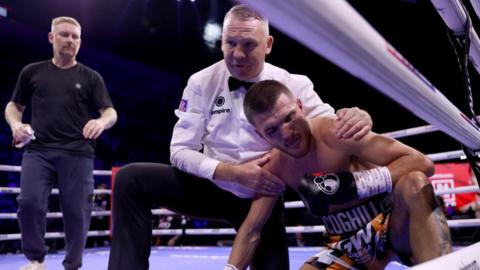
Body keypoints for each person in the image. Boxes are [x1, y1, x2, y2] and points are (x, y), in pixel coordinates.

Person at [108, 4, 372, 270]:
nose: (237, 54)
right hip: (209, 186)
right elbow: (179, 151)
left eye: (248, 44)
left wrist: (355, 115)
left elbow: (330, 125)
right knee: (131, 180)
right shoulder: (202, 82)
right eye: (230, 43)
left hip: (262, 198)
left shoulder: (293, 84)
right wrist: (230, 173)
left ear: (268, 44)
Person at [225, 80, 452, 270]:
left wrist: (357, 184)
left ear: (301, 106)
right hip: (345, 245)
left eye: (289, 118)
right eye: (272, 130)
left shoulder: (336, 132)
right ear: (261, 135)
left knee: (414, 182)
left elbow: (422, 163)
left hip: (392, 226)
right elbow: (252, 229)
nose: (286, 134)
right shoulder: (275, 166)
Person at [4, 16, 117, 270]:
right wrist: (15, 125)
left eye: (75, 36)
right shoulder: (32, 72)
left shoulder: (91, 77)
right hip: (38, 149)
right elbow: (14, 106)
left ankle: (72, 266)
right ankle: (36, 261)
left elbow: (110, 111)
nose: (70, 40)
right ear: (51, 37)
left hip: (78, 152)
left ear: (80, 42)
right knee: (29, 203)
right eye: (64, 34)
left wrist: (101, 122)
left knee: (78, 213)